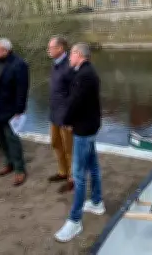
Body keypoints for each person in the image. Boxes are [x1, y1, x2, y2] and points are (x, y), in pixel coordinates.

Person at [54, 43, 105, 243]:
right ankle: (97, 202)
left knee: (79, 174)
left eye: (71, 56)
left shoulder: (84, 76)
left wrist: (66, 120)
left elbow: (75, 101)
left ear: (78, 54)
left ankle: (75, 220)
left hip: (84, 129)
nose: (69, 60)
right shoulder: (87, 72)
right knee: (92, 166)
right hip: (90, 126)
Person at [0, 38, 29, 186]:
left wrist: (19, 110)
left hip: (11, 110)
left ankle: (20, 170)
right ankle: (9, 163)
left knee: (12, 140)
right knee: (1, 139)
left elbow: (22, 89)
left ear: (6, 50)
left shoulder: (19, 64)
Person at [46, 35, 74, 193]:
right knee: (55, 143)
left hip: (65, 116)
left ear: (60, 48)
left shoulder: (68, 65)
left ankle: (72, 177)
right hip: (54, 114)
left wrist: (70, 117)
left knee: (69, 148)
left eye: (51, 47)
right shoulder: (55, 65)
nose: (48, 50)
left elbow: (73, 94)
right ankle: (63, 172)